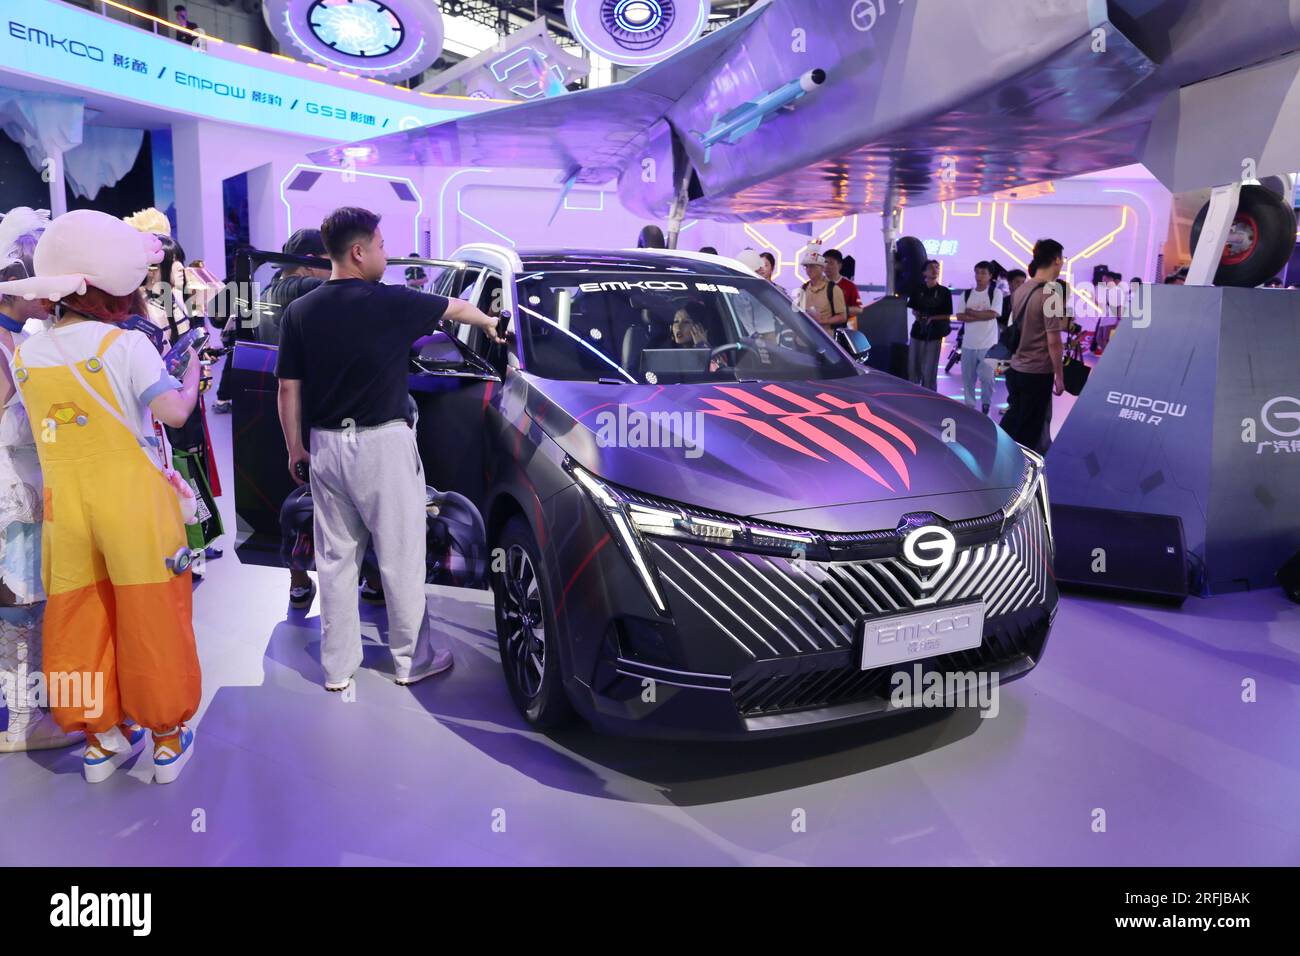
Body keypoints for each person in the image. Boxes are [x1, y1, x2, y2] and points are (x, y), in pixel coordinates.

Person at [0, 209, 203, 784]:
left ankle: (99, 739)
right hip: (133, 502)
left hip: (66, 505)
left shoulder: (30, 353)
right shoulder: (125, 345)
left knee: (78, 618)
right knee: (151, 613)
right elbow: (175, 412)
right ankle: (165, 736)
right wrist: (190, 377)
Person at [275, 207, 503, 691]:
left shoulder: (300, 312)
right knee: (401, 555)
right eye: (380, 245)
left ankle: (337, 668)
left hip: (326, 446)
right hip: (382, 444)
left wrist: (295, 446)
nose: (385, 253)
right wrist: (488, 323)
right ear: (358, 252)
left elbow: (288, 390)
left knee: (336, 560)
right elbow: (455, 309)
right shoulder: (392, 302)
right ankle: (410, 660)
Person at [0, 208, 82, 753]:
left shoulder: (18, 337)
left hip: (28, 486)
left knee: (28, 605)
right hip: (14, 493)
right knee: (19, 607)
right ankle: (22, 721)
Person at [1001, 238, 1067, 448]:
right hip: (1037, 372)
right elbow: (1054, 340)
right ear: (1056, 260)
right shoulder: (1050, 294)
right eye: (1062, 259)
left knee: (1014, 422)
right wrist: (1059, 374)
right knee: (1030, 431)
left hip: (1017, 368)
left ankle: (1000, 464)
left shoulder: (1021, 289)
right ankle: (1020, 477)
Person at [954, 260, 1003, 415]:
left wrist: (972, 313)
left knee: (988, 378)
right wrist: (983, 315)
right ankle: (969, 407)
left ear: (990, 276)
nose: (979, 276)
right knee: (968, 379)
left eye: (983, 273)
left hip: (989, 344)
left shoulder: (995, 293)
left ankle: (986, 405)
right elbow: (961, 315)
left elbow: (993, 314)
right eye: (977, 272)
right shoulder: (967, 294)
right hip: (969, 343)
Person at [907, 259, 953, 390]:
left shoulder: (944, 292)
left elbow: (947, 314)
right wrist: (918, 316)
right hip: (917, 332)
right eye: (931, 267)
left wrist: (932, 318)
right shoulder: (918, 289)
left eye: (937, 267)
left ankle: (929, 395)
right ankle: (912, 393)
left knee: (929, 369)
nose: (935, 270)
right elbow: (913, 308)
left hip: (934, 334)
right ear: (924, 272)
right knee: (913, 366)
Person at [795, 244, 847, 331]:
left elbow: (842, 317)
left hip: (824, 339)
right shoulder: (803, 288)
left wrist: (822, 321)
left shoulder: (833, 289)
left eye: (812, 266)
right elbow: (797, 312)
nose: (808, 269)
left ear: (822, 268)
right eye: (806, 266)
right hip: (804, 338)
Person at [823, 249, 862, 328]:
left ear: (840, 265)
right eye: (825, 262)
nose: (827, 266)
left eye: (831, 263)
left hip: (842, 328)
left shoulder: (850, 286)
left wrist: (841, 309)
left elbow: (859, 309)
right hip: (820, 328)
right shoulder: (816, 283)